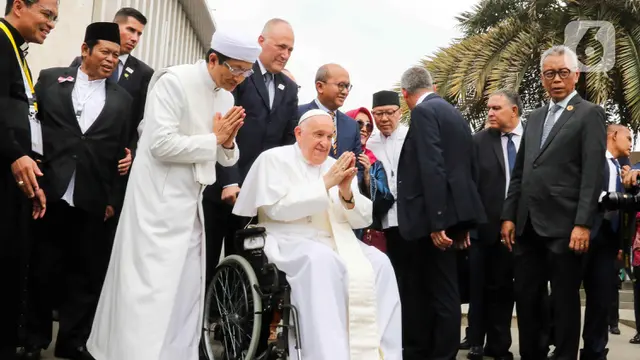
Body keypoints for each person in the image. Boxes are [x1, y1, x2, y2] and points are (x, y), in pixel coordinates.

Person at [86, 28, 260, 360]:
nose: (241, 77)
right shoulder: (173, 82)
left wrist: (225, 142)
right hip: (155, 203)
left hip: (191, 204)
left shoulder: (226, 96)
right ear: (213, 59)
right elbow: (160, 144)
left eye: (247, 70)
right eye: (236, 68)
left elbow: (226, 156)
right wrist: (214, 140)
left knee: (183, 291)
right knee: (147, 291)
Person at [233, 109, 401, 360]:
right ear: (299, 133)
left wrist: (346, 193)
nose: (325, 143)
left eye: (330, 136)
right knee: (322, 261)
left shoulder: (334, 165)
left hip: (335, 240)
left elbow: (362, 218)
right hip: (287, 239)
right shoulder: (273, 160)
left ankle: (378, 354)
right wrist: (324, 184)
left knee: (379, 263)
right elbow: (277, 210)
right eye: (318, 135)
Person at [23, 22, 132, 360]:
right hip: (49, 192)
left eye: (116, 54)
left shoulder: (124, 100)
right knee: (42, 269)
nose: (111, 59)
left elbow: (124, 150)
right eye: (105, 52)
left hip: (92, 197)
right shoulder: (50, 79)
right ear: (85, 50)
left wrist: (113, 199)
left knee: (84, 275)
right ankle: (33, 340)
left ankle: (72, 342)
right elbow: (32, 127)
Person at [500, 45, 606, 360]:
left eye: (562, 72)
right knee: (527, 297)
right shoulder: (534, 117)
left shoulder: (590, 114)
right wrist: (508, 216)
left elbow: (592, 174)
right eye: (549, 73)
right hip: (527, 225)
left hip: (565, 227)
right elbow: (520, 173)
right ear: (542, 77)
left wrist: (583, 223)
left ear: (575, 75)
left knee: (564, 301)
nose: (556, 79)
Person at [396, 66, 485, 360]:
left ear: (405, 94)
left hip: (432, 220)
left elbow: (432, 167)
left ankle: (438, 354)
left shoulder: (423, 114)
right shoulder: (453, 114)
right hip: (455, 216)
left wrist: (437, 221)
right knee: (446, 289)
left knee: (436, 292)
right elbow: (468, 168)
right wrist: (460, 224)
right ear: (432, 87)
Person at [202, 18, 298, 278]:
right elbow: (223, 128)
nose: (285, 54)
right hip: (220, 187)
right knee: (206, 261)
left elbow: (287, 142)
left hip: (255, 195)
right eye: (280, 46)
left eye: (290, 49)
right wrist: (228, 181)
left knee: (243, 268)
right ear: (261, 42)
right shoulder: (239, 74)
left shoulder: (288, 89)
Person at [0, 0, 57, 358]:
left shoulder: (15, 48)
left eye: (55, 19)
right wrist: (15, 154)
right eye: (47, 15)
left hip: (17, 174)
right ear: (19, 6)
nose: (50, 24)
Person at [468, 89, 523, 360]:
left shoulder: (532, 140)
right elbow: (470, 185)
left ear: (514, 111)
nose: (489, 112)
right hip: (483, 229)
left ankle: (499, 347)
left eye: (496, 108)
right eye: (489, 108)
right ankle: (476, 340)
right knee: (479, 287)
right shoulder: (477, 142)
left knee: (505, 290)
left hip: (524, 229)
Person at [580, 124, 631, 360]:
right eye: (628, 137)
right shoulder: (591, 161)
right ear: (613, 136)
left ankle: (595, 351)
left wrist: (620, 245)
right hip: (582, 236)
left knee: (601, 300)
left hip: (608, 243)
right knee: (565, 296)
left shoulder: (623, 169)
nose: (631, 142)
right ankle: (556, 343)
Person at [298, 64, 363, 177]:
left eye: (348, 87)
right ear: (320, 87)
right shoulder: (297, 115)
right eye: (341, 85)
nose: (345, 92)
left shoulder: (352, 126)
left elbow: (357, 168)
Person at [344, 106, 390, 252]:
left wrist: (368, 176)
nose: (364, 129)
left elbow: (386, 201)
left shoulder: (374, 163)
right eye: (359, 124)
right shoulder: (334, 155)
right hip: (338, 228)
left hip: (366, 235)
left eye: (369, 126)